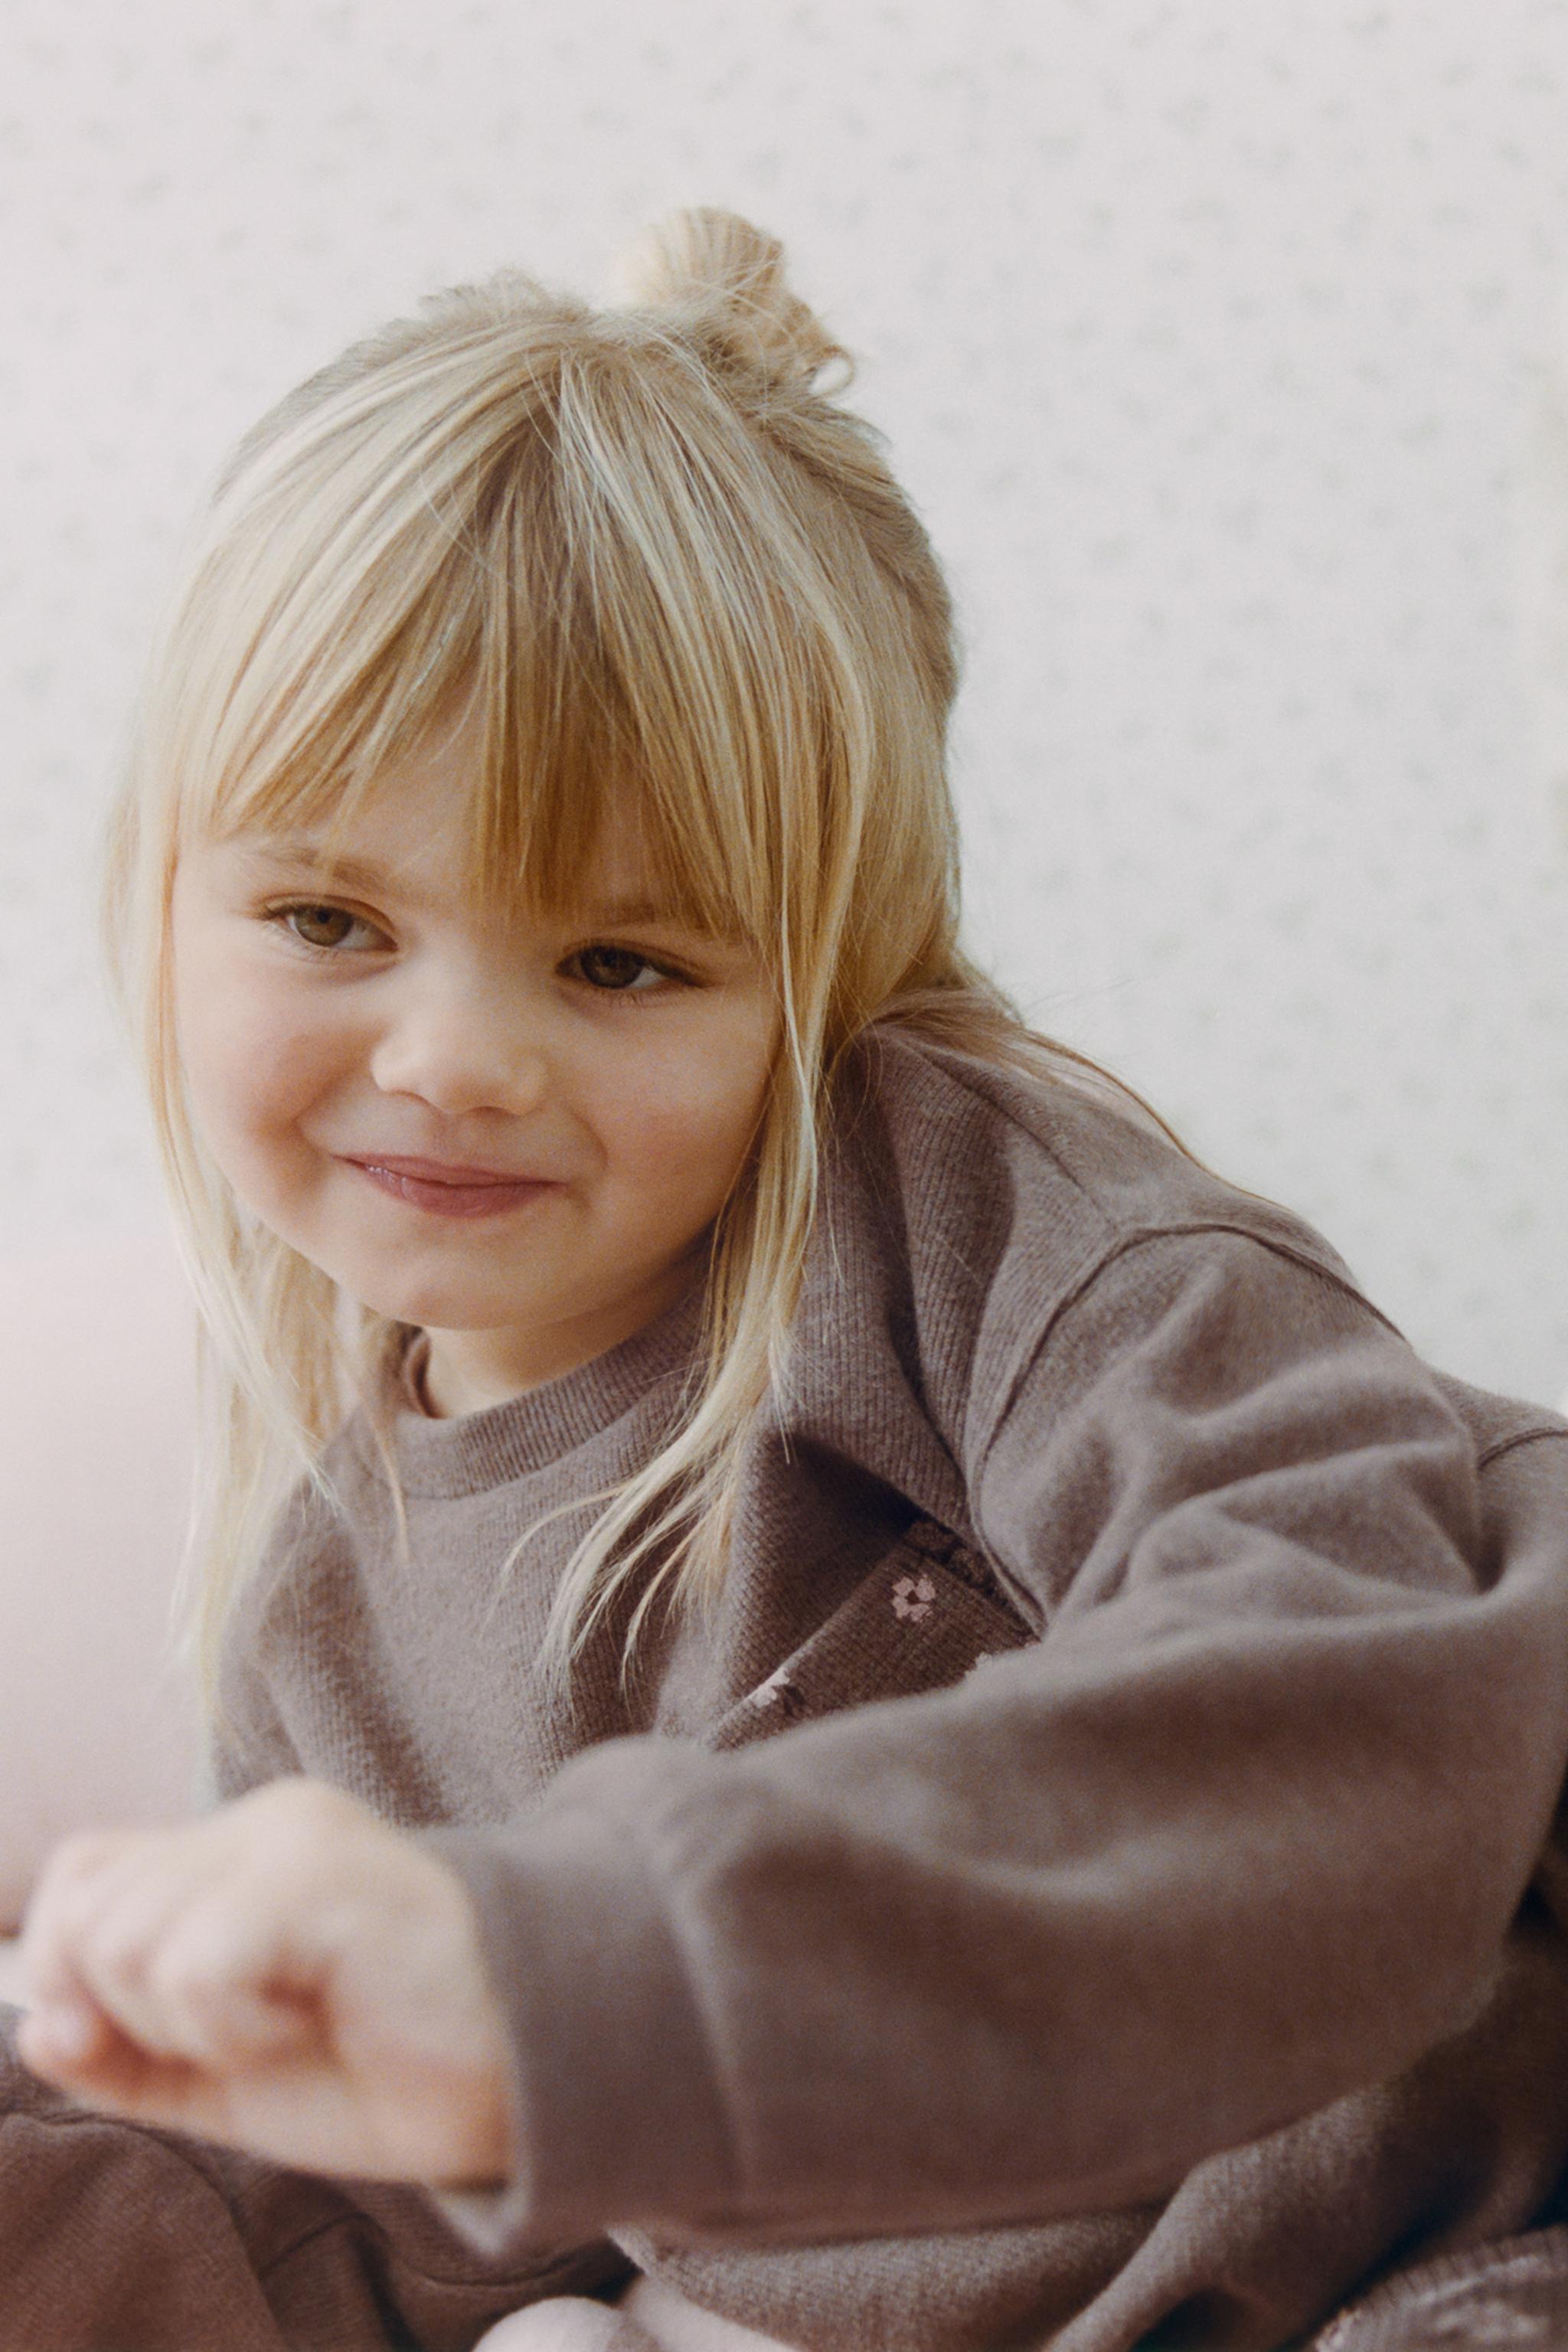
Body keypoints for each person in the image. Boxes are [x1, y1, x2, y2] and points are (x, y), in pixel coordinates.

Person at [6, 207, 1568, 2352]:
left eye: (620, 961)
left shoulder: (971, 1223)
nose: (455, 1059)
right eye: (329, 922)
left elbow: (1351, 1692)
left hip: (1428, 2234)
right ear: (160, 899)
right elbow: (400, 2221)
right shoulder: (316, 1621)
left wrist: (563, 1966)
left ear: (825, 983)